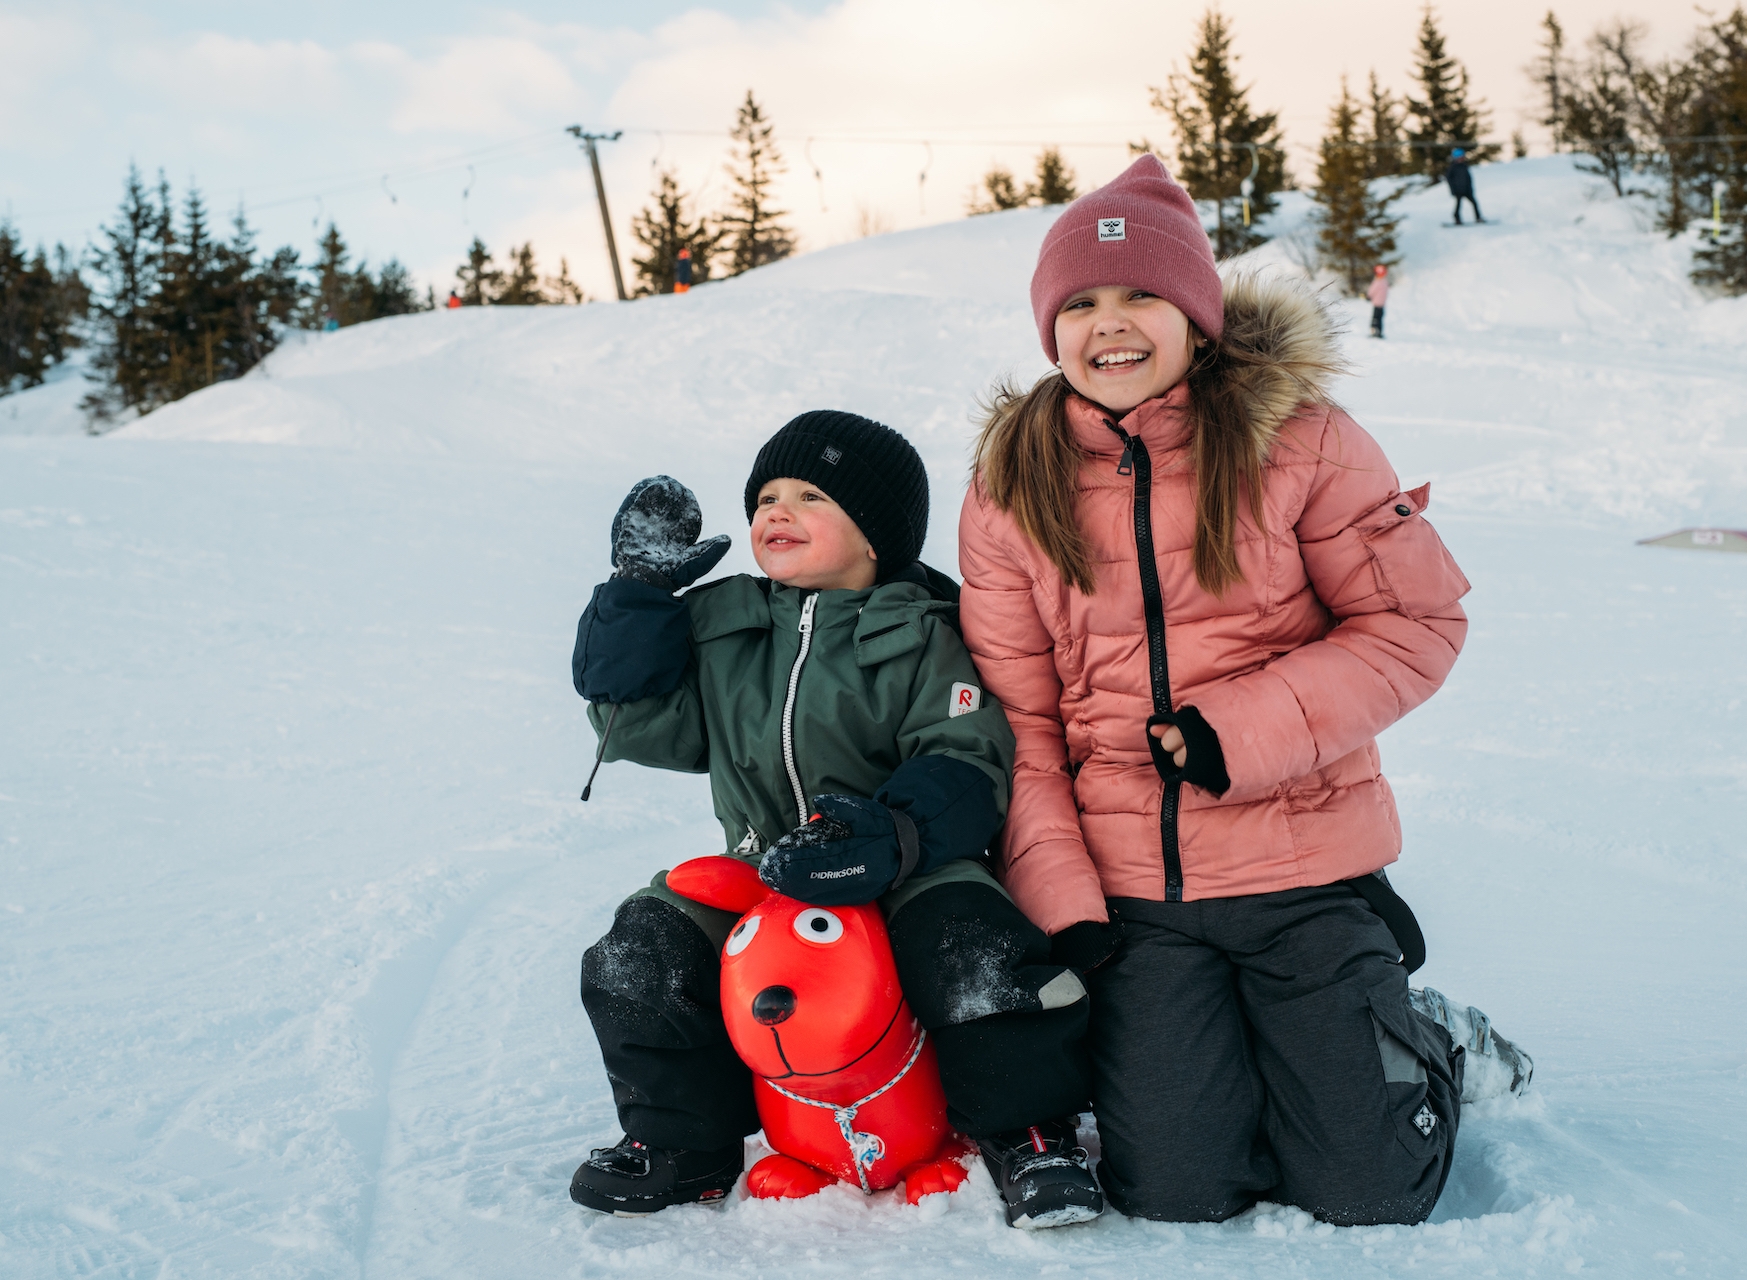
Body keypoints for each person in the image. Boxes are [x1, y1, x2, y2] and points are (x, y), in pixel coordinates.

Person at [958, 154, 1531, 1228]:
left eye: (1140, 295)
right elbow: (1020, 723)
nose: (1111, 323)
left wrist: (1239, 731)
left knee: (1369, 1188)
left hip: (1307, 874)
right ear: (1050, 327)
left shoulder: (1298, 438)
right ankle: (1304, 1063)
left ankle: (1432, 1038)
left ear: (1196, 312)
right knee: (1177, 1188)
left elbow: (1417, 620)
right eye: (1079, 302)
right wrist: (1065, 901)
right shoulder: (1011, 484)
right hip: (1141, 904)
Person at [567, 412, 1104, 1229]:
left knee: (973, 948)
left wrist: (892, 834)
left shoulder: (926, 631)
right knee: (640, 950)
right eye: (765, 498)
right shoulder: (724, 627)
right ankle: (684, 1146)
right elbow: (638, 726)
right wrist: (636, 599)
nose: (775, 512)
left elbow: (966, 755)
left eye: (810, 495)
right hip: (760, 870)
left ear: (876, 534)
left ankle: (1031, 1135)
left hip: (904, 863)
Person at [1445, 148, 1483, 225]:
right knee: (1458, 205)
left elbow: (1468, 178)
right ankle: (1457, 219)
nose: (1462, 158)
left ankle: (1478, 218)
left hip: (1467, 190)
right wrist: (1453, 189)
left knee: (1474, 203)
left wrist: (1470, 189)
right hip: (1458, 190)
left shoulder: (1464, 166)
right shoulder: (1453, 167)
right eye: (1460, 156)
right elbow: (1449, 179)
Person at [1368, 264, 1389, 338]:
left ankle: (1374, 332)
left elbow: (1372, 290)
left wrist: (1369, 296)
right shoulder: (1385, 282)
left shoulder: (1377, 282)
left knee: (1375, 318)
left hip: (1376, 303)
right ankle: (1379, 332)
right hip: (1382, 304)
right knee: (1380, 319)